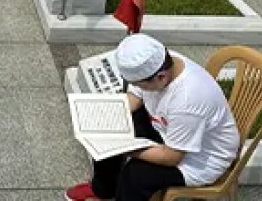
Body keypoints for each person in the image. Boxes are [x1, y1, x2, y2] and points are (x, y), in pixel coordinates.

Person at [64, 34, 241, 201]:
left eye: (137, 83)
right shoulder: (161, 62)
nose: (134, 87)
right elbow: (135, 98)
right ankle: (103, 190)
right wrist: (106, 115)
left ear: (161, 77)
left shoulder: (188, 100)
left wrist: (124, 149)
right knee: (108, 129)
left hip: (198, 159)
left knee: (135, 175)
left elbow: (172, 157)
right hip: (167, 130)